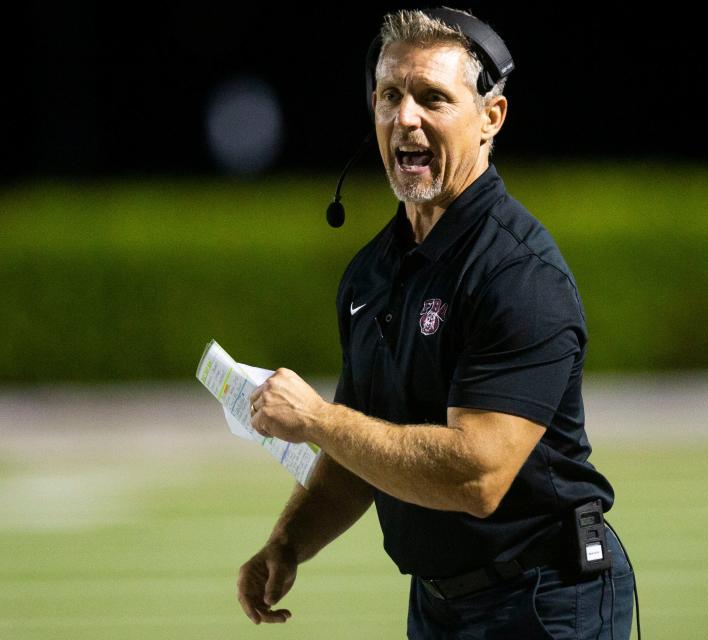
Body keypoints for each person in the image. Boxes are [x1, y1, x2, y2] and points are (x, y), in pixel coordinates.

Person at [238, 7, 636, 638]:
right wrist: (287, 543)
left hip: (545, 599)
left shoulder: (518, 273)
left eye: (433, 98)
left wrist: (317, 419)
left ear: (490, 119)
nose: (406, 119)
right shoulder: (371, 273)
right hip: (436, 606)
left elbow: (477, 475)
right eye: (390, 96)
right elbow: (356, 454)